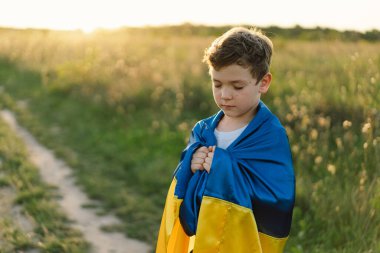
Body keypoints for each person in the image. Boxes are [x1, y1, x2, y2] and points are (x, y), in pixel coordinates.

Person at [156, 27, 295, 253]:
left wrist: (221, 168)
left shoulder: (269, 135)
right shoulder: (203, 130)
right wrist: (190, 164)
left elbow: (277, 198)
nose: (225, 95)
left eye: (237, 86)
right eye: (217, 84)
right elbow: (183, 184)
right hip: (202, 238)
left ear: (264, 82)